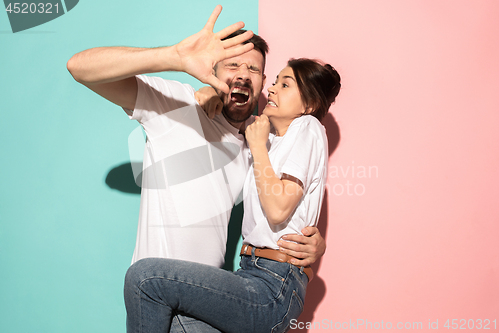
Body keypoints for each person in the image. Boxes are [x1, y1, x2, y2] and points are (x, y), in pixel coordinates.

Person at [67, 5, 326, 332]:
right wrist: (175, 56)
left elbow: (284, 203)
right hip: (153, 296)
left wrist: (313, 247)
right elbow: (79, 67)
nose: (243, 74)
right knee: (145, 280)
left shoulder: (258, 146)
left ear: (262, 84)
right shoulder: (175, 105)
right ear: (212, 69)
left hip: (205, 307)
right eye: (232, 64)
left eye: (254, 69)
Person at [124, 58, 341, 332]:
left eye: (285, 85)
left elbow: (277, 209)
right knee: (178, 324)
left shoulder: (307, 127)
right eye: (274, 82)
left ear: (308, 106)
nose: (272, 90)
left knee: (144, 278)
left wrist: (258, 147)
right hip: (252, 274)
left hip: (272, 285)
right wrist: (209, 92)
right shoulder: (271, 142)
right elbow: (230, 118)